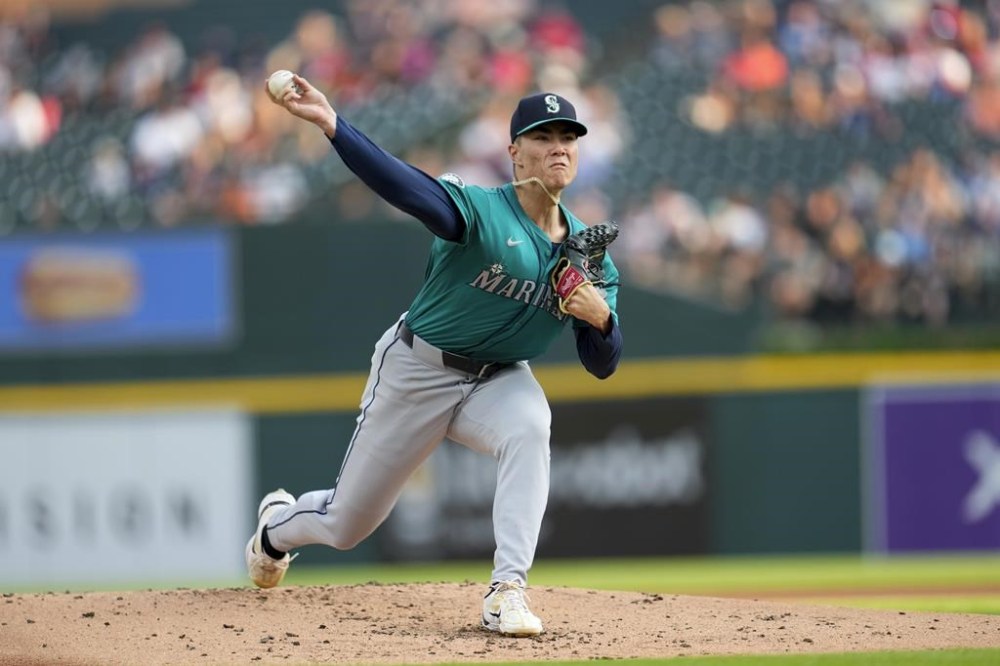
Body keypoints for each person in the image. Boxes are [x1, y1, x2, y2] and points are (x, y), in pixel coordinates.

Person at [246, 74, 623, 637]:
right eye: (544, 136)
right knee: (346, 523)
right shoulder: (480, 211)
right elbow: (403, 186)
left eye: (569, 136)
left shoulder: (590, 258)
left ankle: (507, 591)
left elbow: (602, 362)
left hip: (499, 380)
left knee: (531, 425)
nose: (559, 147)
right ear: (515, 153)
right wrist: (332, 124)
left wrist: (601, 316)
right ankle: (275, 530)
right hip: (419, 369)